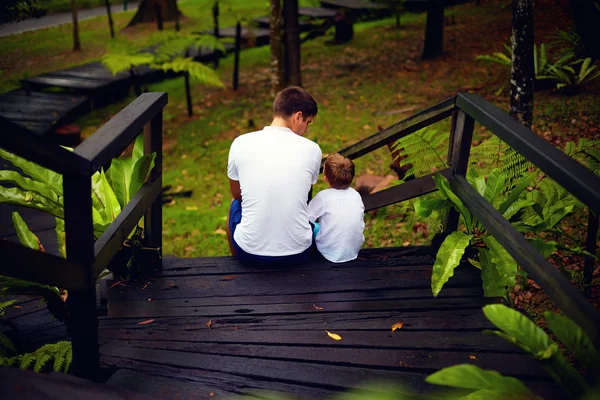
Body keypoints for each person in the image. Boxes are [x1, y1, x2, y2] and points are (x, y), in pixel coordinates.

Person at [226, 86, 322, 264]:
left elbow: (237, 194)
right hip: (299, 253)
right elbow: (305, 195)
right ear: (298, 116)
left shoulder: (240, 143)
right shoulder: (312, 149)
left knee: (234, 205)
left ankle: (237, 264)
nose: (306, 129)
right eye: (307, 123)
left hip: (249, 253)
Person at [308, 153, 365, 263]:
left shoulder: (323, 197)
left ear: (325, 177)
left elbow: (306, 219)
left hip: (327, 253)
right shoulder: (356, 195)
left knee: (314, 226)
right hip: (353, 251)